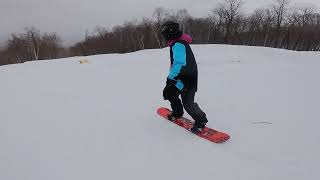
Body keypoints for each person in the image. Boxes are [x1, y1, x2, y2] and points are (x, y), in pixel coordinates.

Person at [161, 21, 208, 134]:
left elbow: (179, 63)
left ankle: (201, 121)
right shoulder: (176, 43)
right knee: (169, 93)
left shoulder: (178, 44)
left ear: (169, 33)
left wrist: (171, 78)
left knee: (188, 102)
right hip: (180, 76)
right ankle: (177, 112)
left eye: (164, 34)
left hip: (187, 78)